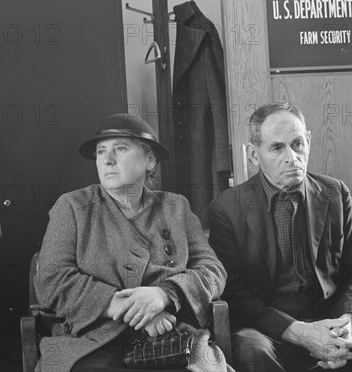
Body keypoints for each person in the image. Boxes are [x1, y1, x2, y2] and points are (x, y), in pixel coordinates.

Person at [208, 102, 352, 372]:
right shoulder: (227, 207)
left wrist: (345, 325)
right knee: (250, 349)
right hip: (270, 329)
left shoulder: (334, 192)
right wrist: (300, 333)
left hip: (332, 319)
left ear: (308, 141)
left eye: (297, 144)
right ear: (253, 155)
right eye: (277, 148)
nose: (291, 157)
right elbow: (234, 294)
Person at [34, 113, 227, 372]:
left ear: (150, 159)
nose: (107, 159)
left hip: (171, 337)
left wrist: (164, 294)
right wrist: (129, 307)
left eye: (120, 149)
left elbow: (213, 271)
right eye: (101, 152)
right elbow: (51, 280)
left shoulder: (176, 208)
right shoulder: (72, 207)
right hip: (91, 342)